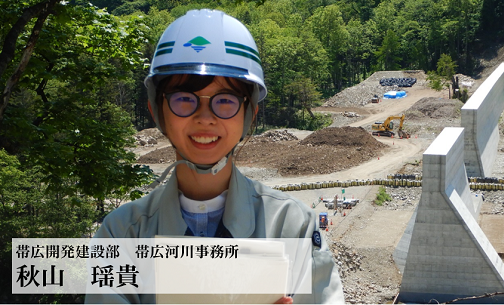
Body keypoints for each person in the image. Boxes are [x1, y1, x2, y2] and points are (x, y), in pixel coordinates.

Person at [85, 9, 344, 304]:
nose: (204, 118)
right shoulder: (122, 234)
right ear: (157, 111)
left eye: (225, 100)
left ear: (249, 113)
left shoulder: (292, 226)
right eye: (184, 99)